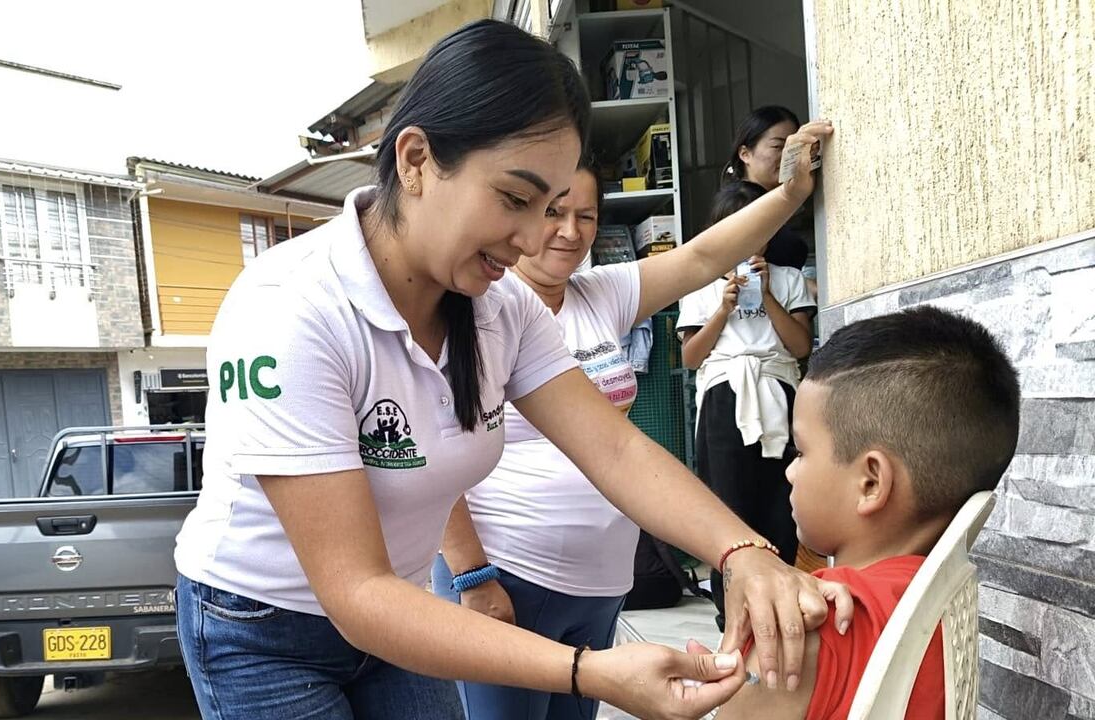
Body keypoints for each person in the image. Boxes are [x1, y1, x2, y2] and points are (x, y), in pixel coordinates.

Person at [174, 19, 844, 720]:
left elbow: (612, 447)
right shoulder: (290, 309)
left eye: (556, 207)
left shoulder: (498, 309)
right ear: (416, 161)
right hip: (261, 627)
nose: (536, 238)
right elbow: (356, 593)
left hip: (396, 606)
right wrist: (591, 671)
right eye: (516, 200)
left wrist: (743, 551)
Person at [434, 132, 830, 720]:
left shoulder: (602, 295)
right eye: (553, 213)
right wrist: (473, 577)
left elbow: (701, 256)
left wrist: (790, 193)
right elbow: (437, 452)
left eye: (586, 215)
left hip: (599, 582)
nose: (569, 232)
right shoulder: (479, 308)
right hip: (506, 577)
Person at [713, 305, 1021, 718]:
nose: (789, 471)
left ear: (871, 482)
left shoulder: (799, 629)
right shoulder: (940, 600)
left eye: (800, 451)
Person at [678, 181, 818, 631]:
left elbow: (799, 346)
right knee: (728, 506)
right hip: (724, 396)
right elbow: (690, 357)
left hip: (778, 392)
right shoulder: (698, 284)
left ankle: (781, 606)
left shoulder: (790, 278)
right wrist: (722, 308)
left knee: (782, 503)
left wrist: (768, 292)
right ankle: (732, 614)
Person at [721, 105, 810, 270]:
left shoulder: (793, 196)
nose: (787, 155)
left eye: (793, 147)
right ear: (745, 154)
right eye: (777, 147)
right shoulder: (738, 202)